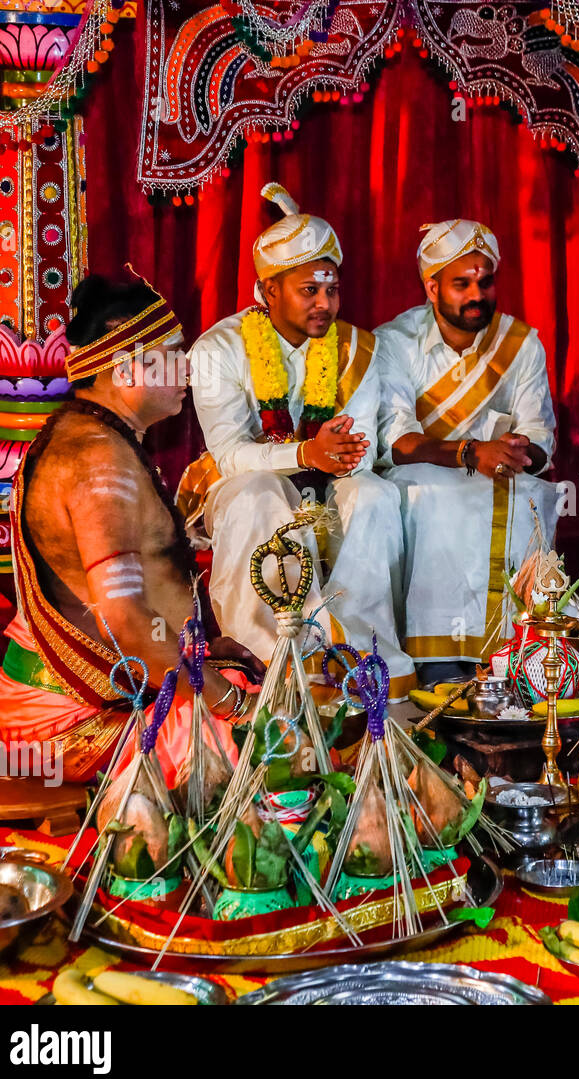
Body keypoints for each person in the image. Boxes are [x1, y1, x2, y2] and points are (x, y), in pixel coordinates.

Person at [0, 275, 251, 784]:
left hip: (114, 691)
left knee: (269, 695)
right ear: (125, 367)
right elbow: (128, 621)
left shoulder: (97, 437)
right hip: (72, 723)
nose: (187, 369)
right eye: (172, 355)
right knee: (268, 743)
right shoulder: (96, 459)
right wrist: (230, 703)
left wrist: (201, 655)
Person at [186, 183, 416, 695]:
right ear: (269, 291)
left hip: (328, 483)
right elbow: (229, 455)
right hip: (242, 483)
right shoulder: (217, 350)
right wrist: (305, 452)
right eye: (308, 290)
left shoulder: (356, 349)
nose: (325, 304)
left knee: (375, 495)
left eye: (331, 289)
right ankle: (272, 663)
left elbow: (354, 450)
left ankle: (362, 657)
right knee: (262, 493)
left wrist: (335, 456)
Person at [374, 221, 557, 679]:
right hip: (423, 475)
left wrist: (520, 452)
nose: (477, 294)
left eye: (485, 281)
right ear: (432, 288)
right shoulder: (394, 343)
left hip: (499, 474)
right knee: (433, 493)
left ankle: (518, 660)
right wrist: (471, 453)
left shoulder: (520, 344)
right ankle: (434, 663)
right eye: (462, 284)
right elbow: (396, 439)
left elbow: (541, 437)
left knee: (530, 494)